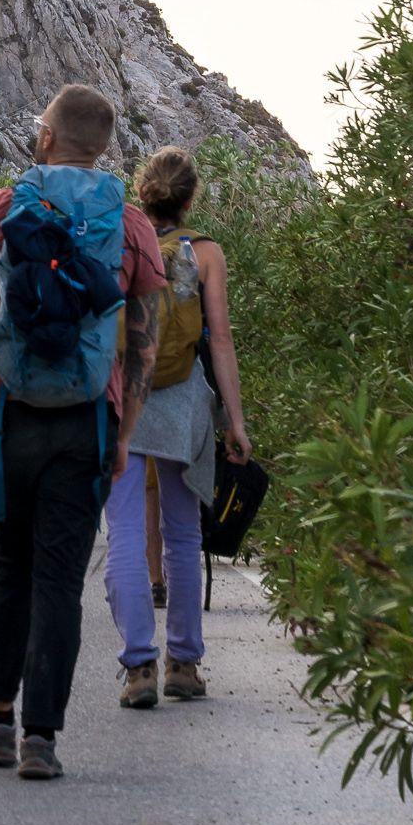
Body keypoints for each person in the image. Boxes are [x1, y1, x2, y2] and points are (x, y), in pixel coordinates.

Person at [0, 83, 165, 781]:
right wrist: (123, 434)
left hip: (10, 415)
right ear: (105, 148)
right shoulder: (132, 224)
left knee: (10, 571)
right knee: (59, 581)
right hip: (87, 421)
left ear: (47, 137)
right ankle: (41, 741)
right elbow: (143, 343)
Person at [105, 145, 251, 707]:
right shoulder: (205, 253)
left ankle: (138, 668)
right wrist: (235, 421)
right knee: (183, 534)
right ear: (190, 200)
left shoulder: (121, 239)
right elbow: (219, 339)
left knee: (124, 530)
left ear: (142, 194)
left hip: (124, 398)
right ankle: (184, 664)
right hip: (183, 401)